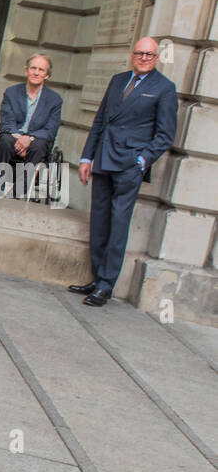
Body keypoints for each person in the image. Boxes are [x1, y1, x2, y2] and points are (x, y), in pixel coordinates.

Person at [72, 37, 179, 306]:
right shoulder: (118, 80)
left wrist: (143, 160)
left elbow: (165, 134)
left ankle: (107, 285)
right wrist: (87, 157)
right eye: (140, 53)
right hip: (104, 159)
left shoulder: (164, 88)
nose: (144, 58)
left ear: (157, 58)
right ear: (133, 55)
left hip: (129, 164)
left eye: (150, 54)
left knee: (118, 223)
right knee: (99, 221)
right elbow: (100, 121)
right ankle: (97, 278)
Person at [0, 53, 63, 198]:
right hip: (14, 136)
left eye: (41, 70)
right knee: (4, 141)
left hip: (37, 140)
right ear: (26, 71)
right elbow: (7, 122)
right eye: (33, 68)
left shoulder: (55, 100)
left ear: (47, 75)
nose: (36, 72)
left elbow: (50, 130)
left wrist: (29, 139)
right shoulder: (11, 93)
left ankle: (18, 192)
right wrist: (21, 139)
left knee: (39, 146)